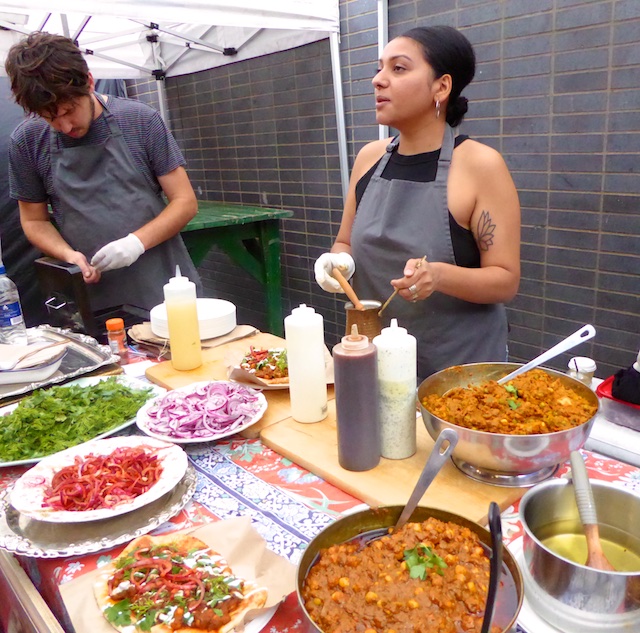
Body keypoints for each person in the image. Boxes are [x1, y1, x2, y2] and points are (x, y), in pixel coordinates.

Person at [314, 25, 520, 379]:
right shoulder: (369, 158)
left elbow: (504, 280)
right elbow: (345, 241)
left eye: (398, 68)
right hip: (375, 360)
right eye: (379, 68)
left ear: (441, 86)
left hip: (459, 373)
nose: (378, 80)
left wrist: (438, 276)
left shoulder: (479, 165)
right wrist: (339, 263)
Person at [5, 32, 201, 314]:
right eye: (50, 118)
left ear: (89, 81)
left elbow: (185, 202)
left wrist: (135, 243)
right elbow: (34, 221)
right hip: (90, 296)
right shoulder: (27, 141)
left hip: (163, 289)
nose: (65, 127)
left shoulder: (140, 121)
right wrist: (68, 255)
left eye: (69, 110)